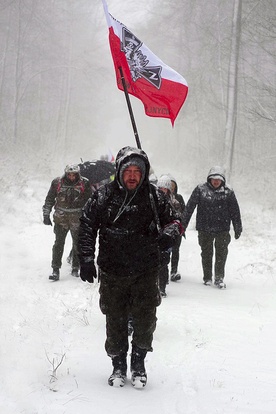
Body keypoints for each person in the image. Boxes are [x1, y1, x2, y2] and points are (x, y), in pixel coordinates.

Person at [78, 146, 182, 388]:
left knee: (145, 320)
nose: (133, 176)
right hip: (112, 271)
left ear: (144, 173)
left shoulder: (155, 197)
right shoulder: (103, 196)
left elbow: (175, 221)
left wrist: (169, 233)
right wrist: (85, 257)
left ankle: (138, 363)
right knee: (115, 320)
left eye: (138, 171)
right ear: (120, 172)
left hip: (146, 271)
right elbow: (86, 225)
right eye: (128, 171)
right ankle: (118, 366)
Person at [182, 166, 242, 288]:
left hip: (222, 229)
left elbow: (235, 211)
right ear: (209, 179)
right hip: (205, 228)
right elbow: (189, 208)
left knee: (221, 254)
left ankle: (219, 278)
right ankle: (207, 277)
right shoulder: (200, 189)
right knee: (206, 253)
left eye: (218, 179)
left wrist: (237, 227)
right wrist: (183, 224)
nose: (216, 181)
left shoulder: (228, 192)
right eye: (213, 178)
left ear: (222, 180)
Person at [43, 164, 91, 281]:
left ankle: (75, 267)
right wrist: (46, 214)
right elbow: (50, 198)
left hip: (77, 218)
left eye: (74, 175)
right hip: (61, 218)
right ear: (66, 174)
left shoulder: (84, 183)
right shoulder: (57, 183)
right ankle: (55, 269)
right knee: (58, 244)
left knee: (77, 244)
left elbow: (89, 201)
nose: (71, 177)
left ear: (77, 174)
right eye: (69, 175)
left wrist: (89, 217)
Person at [156, 175, 183, 297]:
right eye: (160, 188)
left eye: (164, 188)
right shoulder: (152, 200)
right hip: (154, 235)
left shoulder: (174, 202)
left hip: (167, 236)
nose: (162, 191)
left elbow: (177, 219)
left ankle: (162, 286)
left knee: (164, 261)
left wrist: (170, 233)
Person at [168, 175, 186, 282]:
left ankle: (174, 271)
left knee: (175, 250)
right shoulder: (159, 196)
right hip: (164, 228)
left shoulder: (179, 198)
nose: (171, 187)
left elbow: (184, 212)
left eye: (173, 185)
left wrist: (182, 225)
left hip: (176, 229)